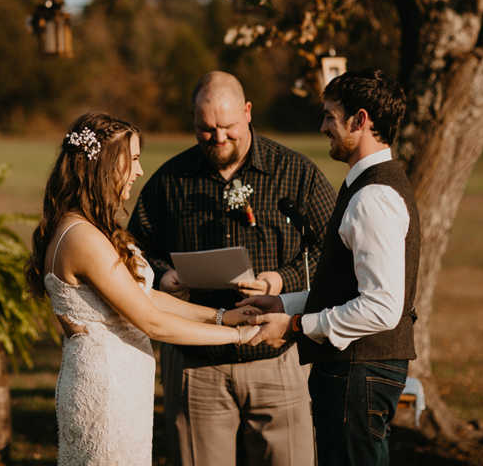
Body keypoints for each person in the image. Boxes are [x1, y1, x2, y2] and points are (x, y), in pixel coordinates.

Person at [26, 112, 262, 466]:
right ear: (105, 164)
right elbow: (152, 322)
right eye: (133, 159)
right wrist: (241, 337)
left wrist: (223, 317)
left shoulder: (91, 227)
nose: (138, 171)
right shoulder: (82, 237)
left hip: (122, 384)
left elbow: (145, 296)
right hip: (104, 391)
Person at [128, 71, 336, 466]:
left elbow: (332, 250)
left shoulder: (296, 173)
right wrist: (163, 275)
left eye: (227, 127)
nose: (218, 138)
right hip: (196, 361)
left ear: (248, 112)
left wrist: (281, 279)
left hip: (277, 354)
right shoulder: (169, 181)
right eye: (205, 130)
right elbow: (135, 249)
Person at [241, 69, 420, 466]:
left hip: (359, 375)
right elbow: (349, 290)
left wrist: (295, 326)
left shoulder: (373, 196)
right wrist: (284, 304)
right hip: (357, 374)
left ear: (360, 120)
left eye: (330, 116)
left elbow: (381, 307)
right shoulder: (369, 187)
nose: (323, 126)